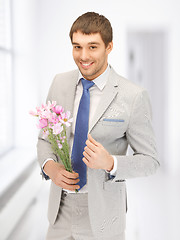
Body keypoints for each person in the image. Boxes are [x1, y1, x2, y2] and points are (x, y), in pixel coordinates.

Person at [37, 12, 160, 240]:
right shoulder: (59, 82)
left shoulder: (133, 96)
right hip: (59, 213)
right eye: (77, 47)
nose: (83, 56)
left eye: (92, 47)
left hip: (103, 218)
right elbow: (45, 138)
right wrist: (50, 167)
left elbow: (150, 161)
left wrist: (111, 163)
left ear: (109, 47)